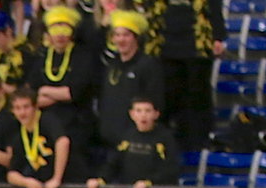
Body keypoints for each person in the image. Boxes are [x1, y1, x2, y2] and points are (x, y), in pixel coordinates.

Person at [143, 0, 225, 150]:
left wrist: (218, 36)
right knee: (167, 93)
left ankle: (197, 141)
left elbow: (214, 5)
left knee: (197, 95)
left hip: (197, 44)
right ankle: (167, 141)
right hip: (166, 42)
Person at [26, 6, 97, 169]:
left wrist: (44, 91)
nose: (59, 35)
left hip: (76, 126)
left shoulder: (83, 56)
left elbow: (72, 93)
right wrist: (54, 95)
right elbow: (31, 94)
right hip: (45, 126)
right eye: (55, 29)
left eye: (64, 29)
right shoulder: (42, 56)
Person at [85, 96, 179, 188]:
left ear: (156, 114)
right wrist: (100, 179)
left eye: (148, 111)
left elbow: (171, 168)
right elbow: (114, 162)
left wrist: (149, 183)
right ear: (132, 114)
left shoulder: (166, 138)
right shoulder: (126, 136)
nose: (143, 115)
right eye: (138, 111)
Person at [5, 85, 85, 188]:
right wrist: (26, 182)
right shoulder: (19, 135)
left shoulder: (47, 120)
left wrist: (56, 178)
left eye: (26, 107)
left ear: (36, 107)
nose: (22, 112)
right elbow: (11, 175)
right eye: (17, 108)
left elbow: (63, 142)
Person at [96, 10, 164, 150]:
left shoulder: (148, 65)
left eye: (126, 35)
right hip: (109, 139)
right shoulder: (111, 65)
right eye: (117, 35)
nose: (121, 40)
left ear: (136, 38)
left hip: (135, 141)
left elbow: (155, 101)